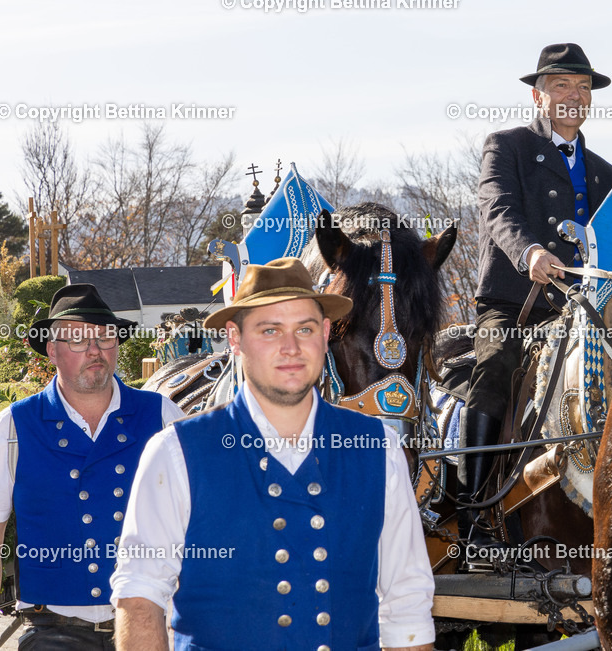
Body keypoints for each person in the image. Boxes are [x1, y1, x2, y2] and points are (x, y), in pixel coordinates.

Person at [111, 257, 435, 651]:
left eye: (305, 328)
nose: (291, 348)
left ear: (327, 332)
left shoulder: (378, 448)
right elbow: (140, 599)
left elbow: (407, 601)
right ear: (235, 338)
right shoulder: (174, 453)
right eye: (270, 330)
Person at [459, 43, 612, 556]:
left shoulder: (605, 173)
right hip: (515, 301)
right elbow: (497, 207)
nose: (574, 94)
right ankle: (474, 511)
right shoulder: (505, 146)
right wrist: (526, 250)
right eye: (561, 85)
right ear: (538, 94)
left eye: (582, 86)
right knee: (496, 365)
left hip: (582, 308)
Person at [0, 284, 185, 651]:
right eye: (78, 340)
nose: (95, 350)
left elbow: (199, 526)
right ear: (52, 349)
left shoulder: (163, 415)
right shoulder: (12, 427)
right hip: (51, 632)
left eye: (105, 337)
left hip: (147, 628)